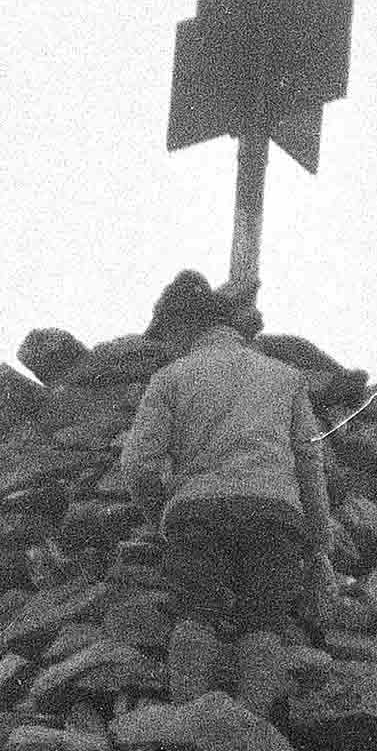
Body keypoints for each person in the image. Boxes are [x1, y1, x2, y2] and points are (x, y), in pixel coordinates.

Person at [119, 272, 333, 712]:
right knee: (263, 622)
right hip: (274, 511)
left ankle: (191, 728)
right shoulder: (286, 376)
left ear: (182, 327)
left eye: (168, 335)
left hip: (198, 511)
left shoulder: (171, 377)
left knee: (196, 614)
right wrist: (318, 534)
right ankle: (250, 733)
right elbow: (310, 460)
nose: (167, 345)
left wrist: (160, 511)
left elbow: (139, 464)